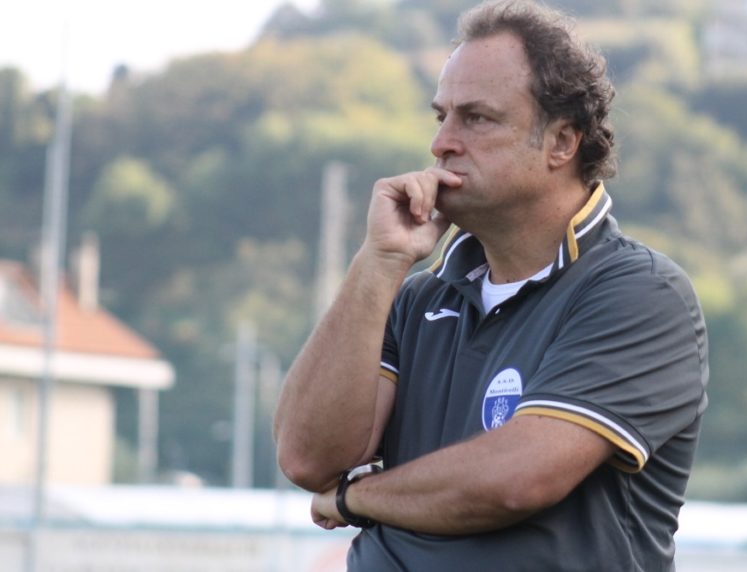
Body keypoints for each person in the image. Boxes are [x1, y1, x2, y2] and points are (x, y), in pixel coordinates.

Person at [272, 1, 709, 570]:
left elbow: (516, 480)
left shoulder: (639, 293)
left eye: (476, 118)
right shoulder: (415, 298)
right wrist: (379, 261)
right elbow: (308, 458)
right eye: (441, 117)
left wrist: (356, 497)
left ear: (562, 141)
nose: (442, 143)